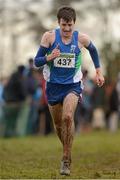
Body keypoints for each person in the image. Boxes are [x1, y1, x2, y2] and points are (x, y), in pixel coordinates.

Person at [34, 6, 105, 176]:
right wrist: (49, 57)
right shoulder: (49, 37)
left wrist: (99, 72)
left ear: (74, 24)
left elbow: (94, 50)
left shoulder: (81, 38)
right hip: (52, 87)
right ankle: (68, 150)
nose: (67, 29)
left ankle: (65, 159)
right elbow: (37, 61)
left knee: (67, 117)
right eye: (64, 25)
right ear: (59, 23)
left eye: (70, 25)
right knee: (59, 125)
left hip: (72, 86)